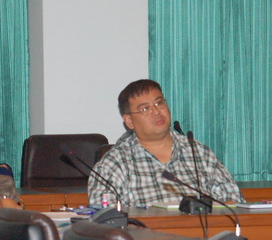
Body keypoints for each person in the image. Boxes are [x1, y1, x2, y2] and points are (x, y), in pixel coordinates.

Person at [88, 79, 244, 207]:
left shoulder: (198, 152)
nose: (156, 111)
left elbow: (235, 199)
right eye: (145, 109)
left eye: (159, 103)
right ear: (129, 121)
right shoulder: (114, 163)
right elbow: (104, 217)